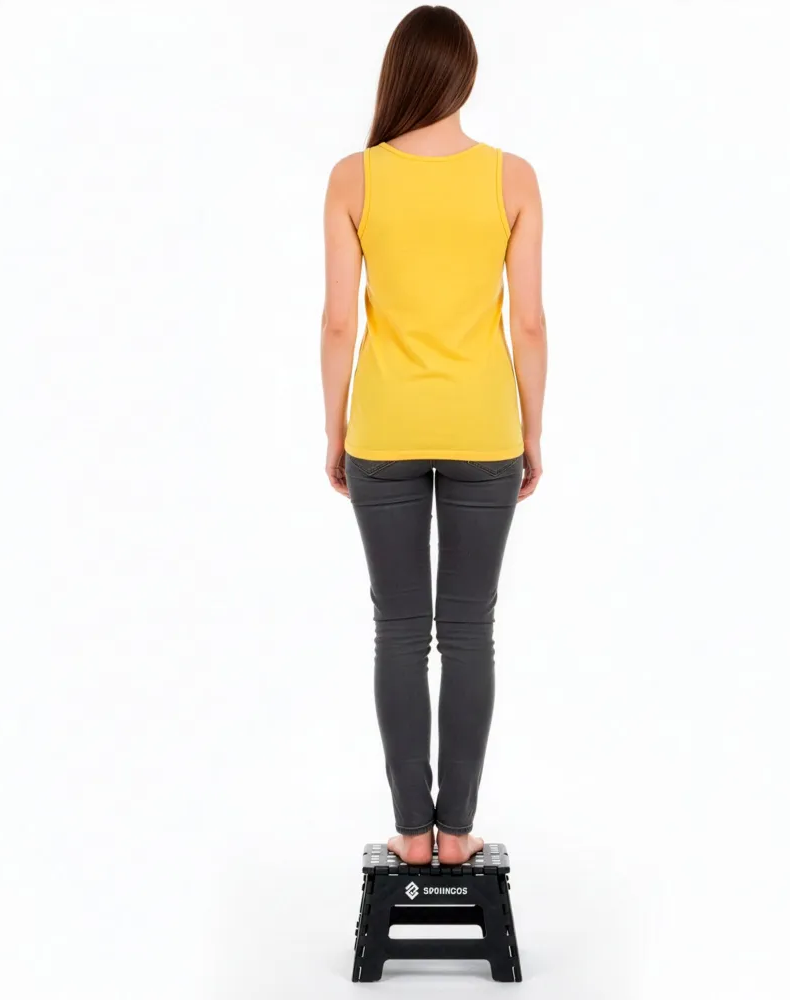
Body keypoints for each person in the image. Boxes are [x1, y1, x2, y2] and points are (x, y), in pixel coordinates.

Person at [320, 5, 547, 865]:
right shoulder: (511, 178)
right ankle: (458, 837)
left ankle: (412, 835)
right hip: (485, 428)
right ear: (466, 77)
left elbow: (339, 322)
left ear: (398, 74)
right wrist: (533, 429)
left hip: (383, 427)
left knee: (399, 632)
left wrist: (335, 427)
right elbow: (529, 322)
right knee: (468, 632)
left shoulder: (354, 178)